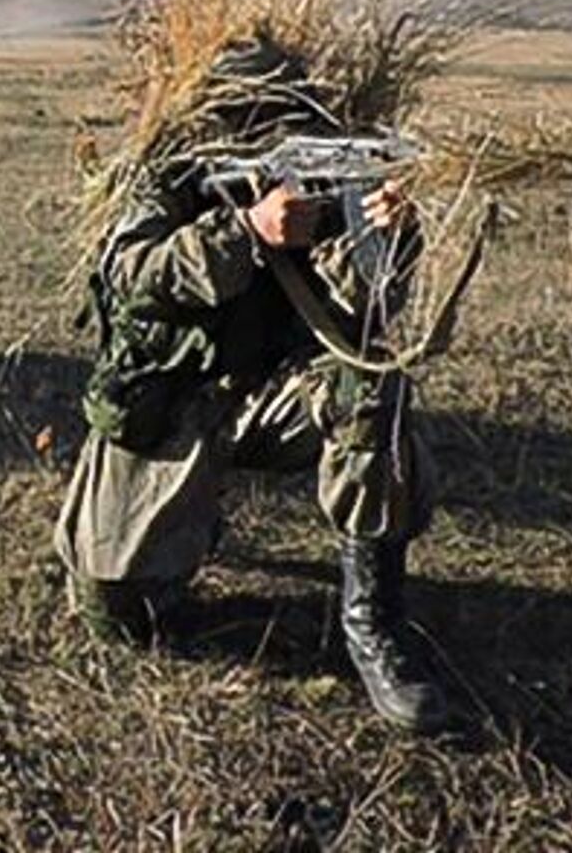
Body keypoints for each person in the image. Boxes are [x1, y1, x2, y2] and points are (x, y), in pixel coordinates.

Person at [54, 36, 450, 734]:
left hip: (273, 398)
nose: (267, 130)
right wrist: (247, 230)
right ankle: (190, 524)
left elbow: (364, 316)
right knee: (117, 614)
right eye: (252, 115)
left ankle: (374, 625)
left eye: (282, 116)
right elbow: (132, 274)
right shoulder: (165, 171)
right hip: (172, 406)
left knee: (371, 387)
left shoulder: (331, 177)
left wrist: (388, 238)